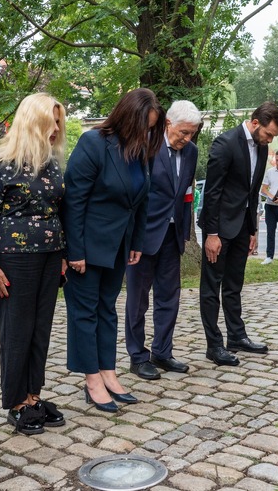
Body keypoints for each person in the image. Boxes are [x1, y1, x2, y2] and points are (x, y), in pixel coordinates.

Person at [63, 88, 164, 412]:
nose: (148, 133)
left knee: (107, 309)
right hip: (88, 246)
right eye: (145, 126)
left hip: (119, 246)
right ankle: (91, 378)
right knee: (85, 312)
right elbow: (74, 200)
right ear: (128, 117)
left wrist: (136, 242)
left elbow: (142, 200)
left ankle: (108, 370)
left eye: (152, 128)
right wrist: (74, 250)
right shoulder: (94, 144)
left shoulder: (138, 151)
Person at [0, 92, 67, 435]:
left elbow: (61, 210)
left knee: (40, 329)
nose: (57, 128)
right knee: (17, 330)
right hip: (14, 259)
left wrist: (62, 253)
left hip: (50, 255)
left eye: (59, 121)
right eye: (52, 121)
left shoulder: (52, 163)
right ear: (34, 122)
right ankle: (15, 401)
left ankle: (33, 395)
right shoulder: (3, 162)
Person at [198, 102, 278, 366]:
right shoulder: (225, 144)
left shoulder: (262, 146)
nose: (270, 140)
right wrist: (211, 233)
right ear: (255, 122)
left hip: (241, 228)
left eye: (272, 137)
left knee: (234, 286)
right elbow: (212, 192)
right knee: (211, 288)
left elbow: (253, 191)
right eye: (268, 134)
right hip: (219, 230)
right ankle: (214, 345)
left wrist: (252, 230)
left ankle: (236, 336)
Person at [124, 100, 200, 380]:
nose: (187, 138)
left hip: (172, 235)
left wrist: (184, 232)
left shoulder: (191, 152)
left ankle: (162, 352)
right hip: (143, 237)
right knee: (138, 299)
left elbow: (186, 194)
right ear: (168, 123)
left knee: (169, 297)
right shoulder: (146, 146)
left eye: (192, 133)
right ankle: (137, 355)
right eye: (183, 132)